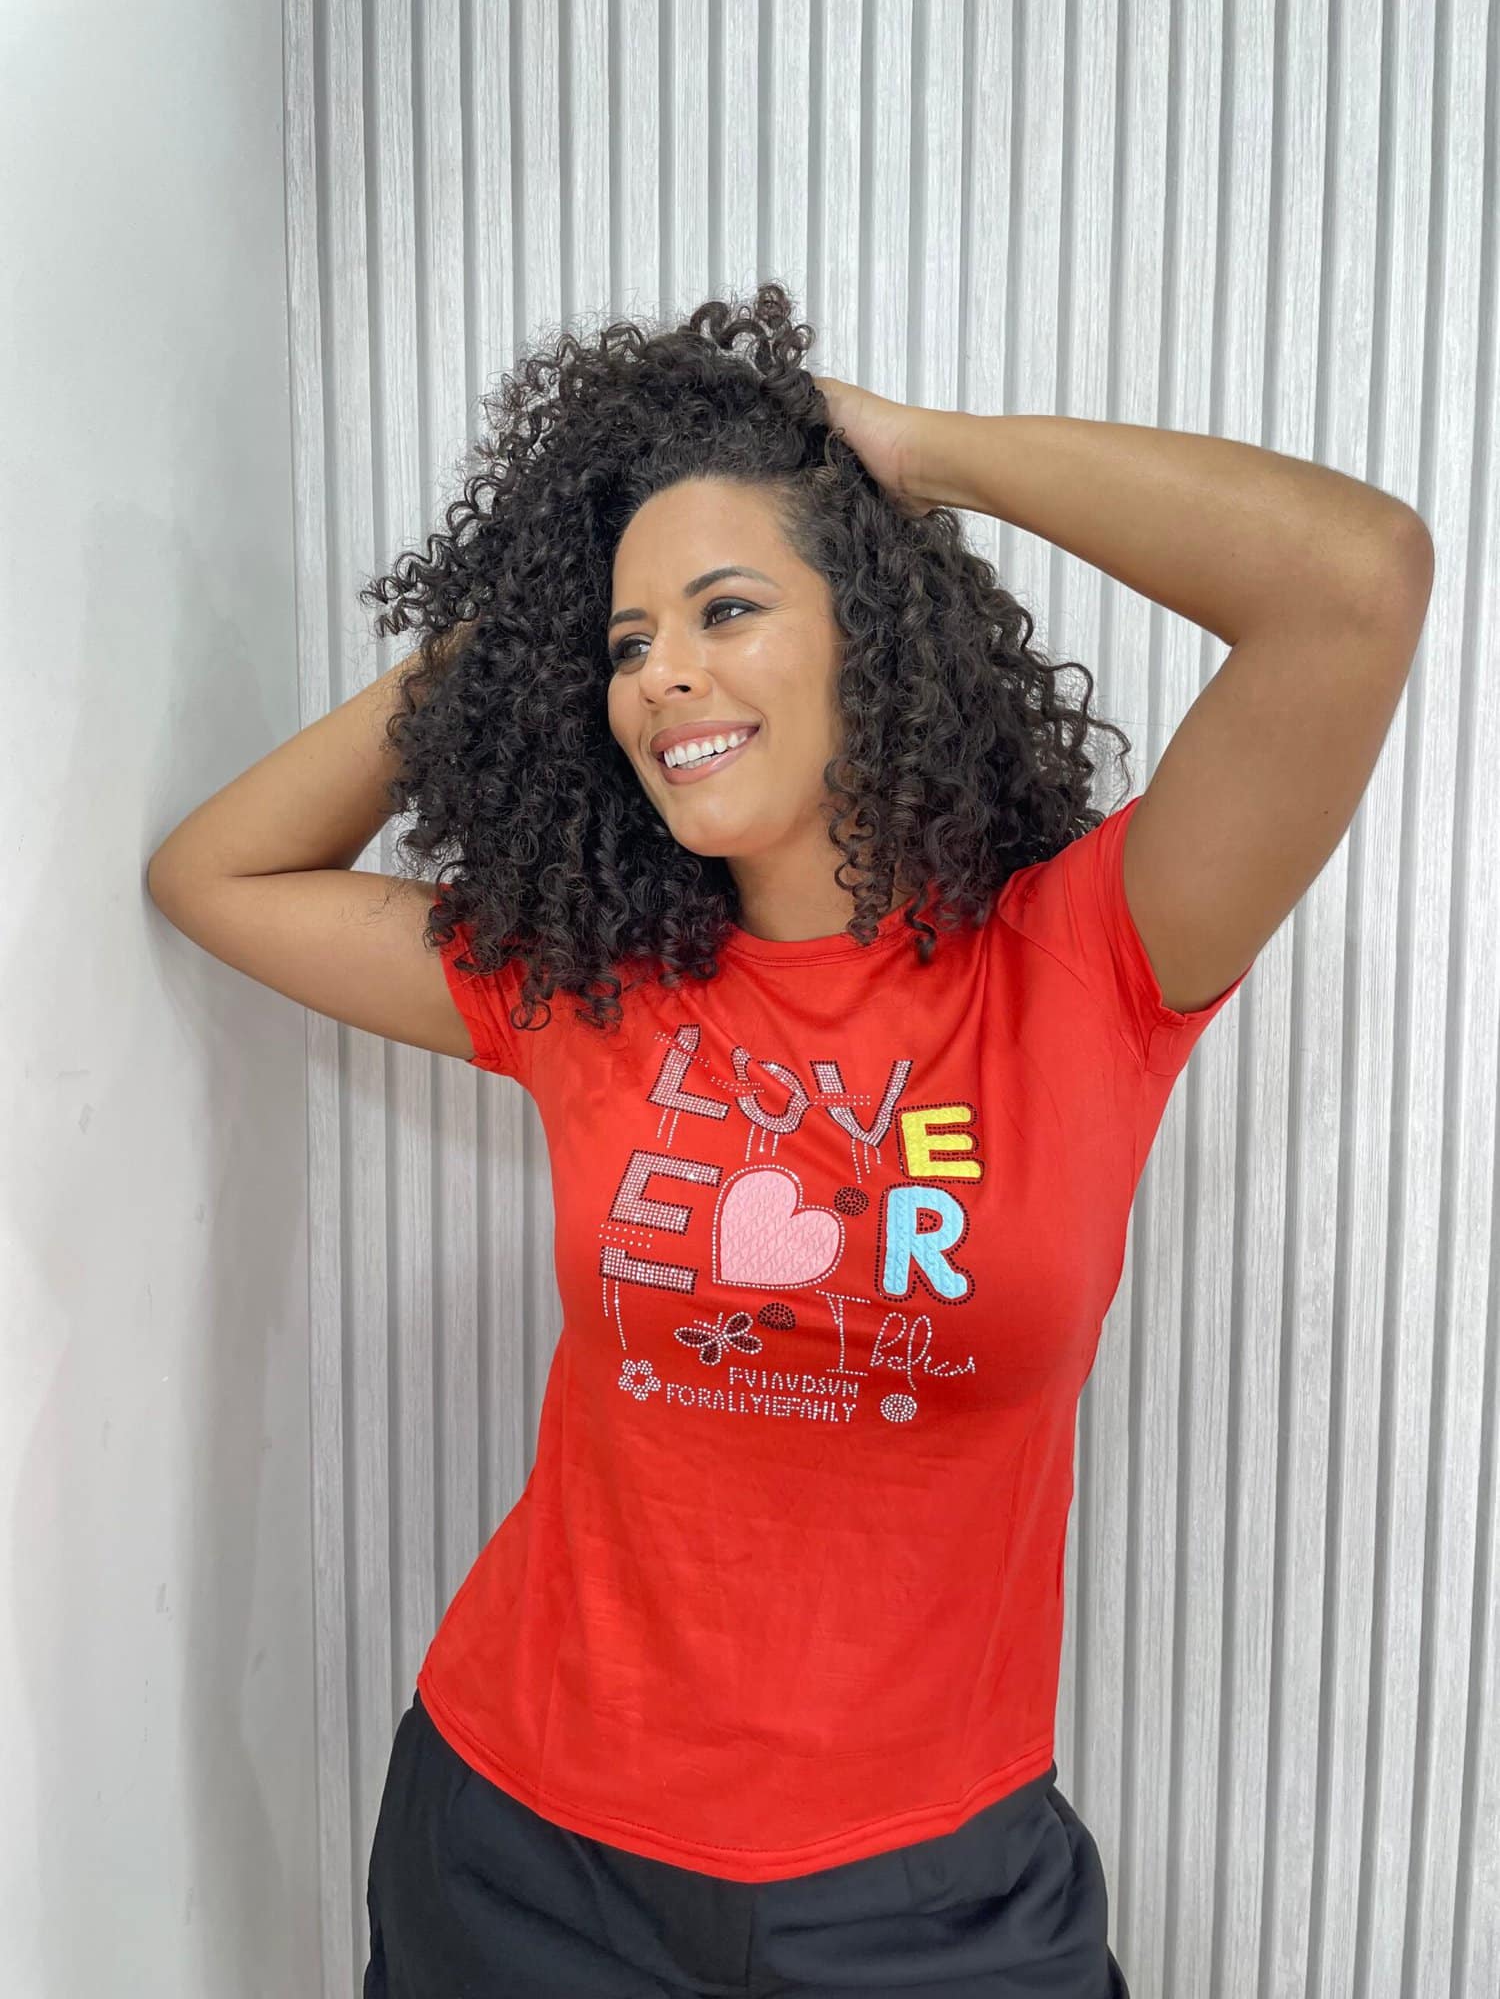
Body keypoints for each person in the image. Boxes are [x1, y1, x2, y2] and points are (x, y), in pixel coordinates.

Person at [146, 282, 1431, 1997]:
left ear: (869, 629)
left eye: (727, 609)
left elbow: (1354, 583)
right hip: (525, 1857)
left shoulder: (1091, 958)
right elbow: (218, 875)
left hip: (932, 1900)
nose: (661, 673)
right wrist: (508, 636)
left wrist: (919, 452)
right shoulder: (590, 983)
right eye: (626, 645)